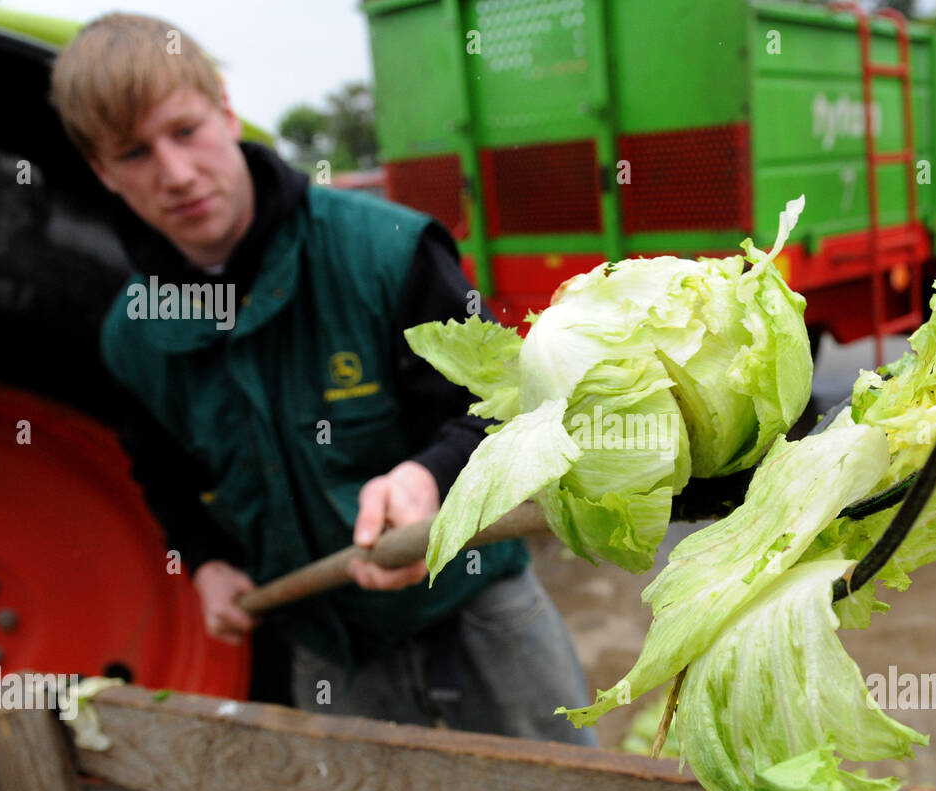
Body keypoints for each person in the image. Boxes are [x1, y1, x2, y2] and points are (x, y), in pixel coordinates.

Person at [49, 13, 596, 746]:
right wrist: (207, 563)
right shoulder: (132, 335)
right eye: (135, 152)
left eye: (185, 131)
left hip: (478, 608)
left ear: (224, 107)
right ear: (102, 172)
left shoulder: (388, 252)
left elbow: (507, 408)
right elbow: (163, 474)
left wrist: (428, 476)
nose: (175, 174)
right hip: (328, 647)